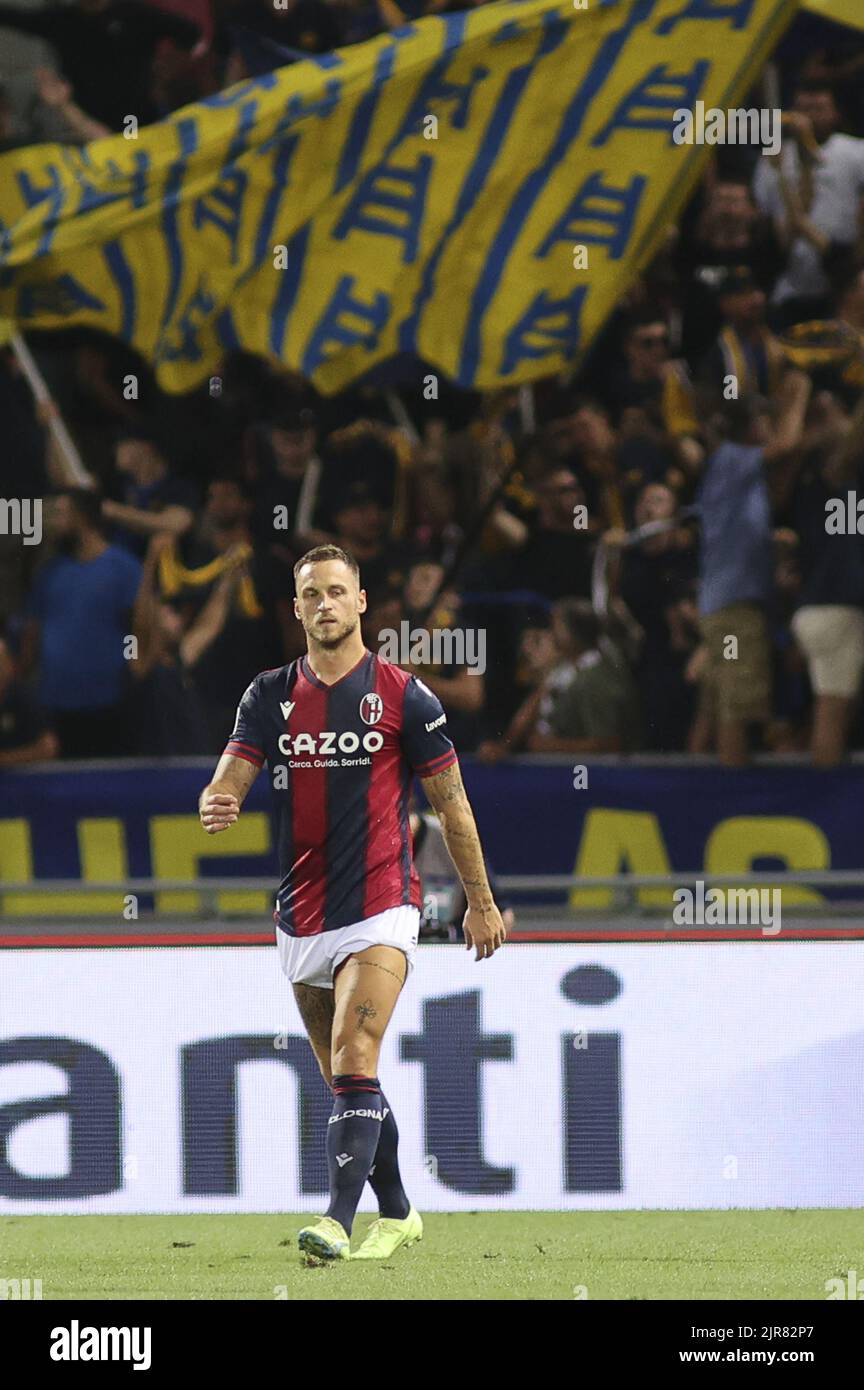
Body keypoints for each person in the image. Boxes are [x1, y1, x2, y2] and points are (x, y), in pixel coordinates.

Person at [197, 543, 507, 1263]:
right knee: (349, 1079)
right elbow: (232, 774)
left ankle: (336, 1219)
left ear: (362, 602)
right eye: (313, 594)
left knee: (354, 1049)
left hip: (382, 904)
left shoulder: (406, 696)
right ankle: (397, 1211)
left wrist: (481, 902)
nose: (327, 604)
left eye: (339, 591)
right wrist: (219, 800)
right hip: (300, 915)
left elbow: (453, 807)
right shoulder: (268, 693)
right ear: (299, 608)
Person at [693, 369, 812, 766]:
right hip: (734, 606)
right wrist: (799, 392)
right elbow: (786, 445)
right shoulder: (729, 457)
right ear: (749, 426)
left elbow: (783, 471)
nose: (771, 425)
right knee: (739, 707)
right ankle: (733, 787)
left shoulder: (744, 473)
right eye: (765, 418)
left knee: (726, 701)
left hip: (729, 604)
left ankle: (719, 786)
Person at [20, 489, 142, 757]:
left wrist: (128, 661)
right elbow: (33, 632)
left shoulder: (123, 568)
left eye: (60, 514)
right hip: (53, 703)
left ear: (82, 517)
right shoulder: (50, 571)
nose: (53, 523)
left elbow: (134, 630)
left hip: (106, 704)